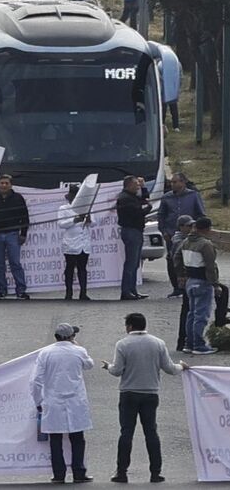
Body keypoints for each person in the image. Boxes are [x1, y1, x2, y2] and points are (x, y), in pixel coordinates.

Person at [102, 313, 188, 483]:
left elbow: (117, 370)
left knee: (126, 433)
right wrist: (182, 366)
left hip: (129, 393)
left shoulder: (123, 344)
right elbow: (169, 368)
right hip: (150, 393)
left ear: (130, 326)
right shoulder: (158, 343)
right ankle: (156, 472)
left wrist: (108, 367)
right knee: (151, 432)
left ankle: (121, 471)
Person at [32, 324, 95, 484]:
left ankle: (58, 475)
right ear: (71, 337)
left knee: (55, 439)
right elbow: (90, 365)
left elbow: (36, 380)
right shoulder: (79, 351)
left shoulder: (45, 353)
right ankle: (79, 472)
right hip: (75, 401)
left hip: (53, 400)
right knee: (78, 438)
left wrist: (38, 401)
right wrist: (77, 346)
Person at [175, 216, 220, 355]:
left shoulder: (186, 242)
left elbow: (176, 257)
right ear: (207, 229)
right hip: (203, 282)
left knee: (191, 314)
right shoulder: (205, 244)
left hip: (190, 281)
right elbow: (210, 267)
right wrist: (215, 284)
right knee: (201, 315)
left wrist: (181, 275)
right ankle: (199, 345)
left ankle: (189, 343)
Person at [158, 173, 206, 297]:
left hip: (190, 234)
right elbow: (161, 216)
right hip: (171, 234)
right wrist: (163, 231)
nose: (172, 184)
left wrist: (198, 230)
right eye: (171, 182)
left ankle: (189, 285)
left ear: (183, 182)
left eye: (175, 182)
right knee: (172, 259)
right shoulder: (166, 197)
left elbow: (201, 214)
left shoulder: (193, 195)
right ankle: (176, 287)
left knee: (189, 259)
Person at [0, 174, 31, 299]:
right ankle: (1, 291)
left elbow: (25, 217)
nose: (4, 185)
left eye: (6, 183)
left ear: (11, 185)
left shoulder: (18, 198)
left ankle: (21, 290)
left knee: (15, 263)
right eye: (2, 183)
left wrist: (23, 234)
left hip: (12, 234)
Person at [115, 176, 152, 300]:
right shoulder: (125, 198)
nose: (138, 187)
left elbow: (144, 199)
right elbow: (138, 212)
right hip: (131, 231)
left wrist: (144, 186)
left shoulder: (132, 197)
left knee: (135, 263)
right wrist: (149, 208)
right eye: (136, 184)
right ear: (129, 185)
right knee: (131, 263)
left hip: (136, 230)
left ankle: (133, 290)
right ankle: (126, 291)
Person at [59, 186, 94, 301]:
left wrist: (89, 220)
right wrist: (74, 220)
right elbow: (61, 224)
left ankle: (83, 293)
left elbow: (94, 223)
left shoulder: (87, 208)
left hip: (83, 242)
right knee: (69, 268)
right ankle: (69, 293)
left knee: (82, 268)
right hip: (70, 243)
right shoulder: (64, 208)